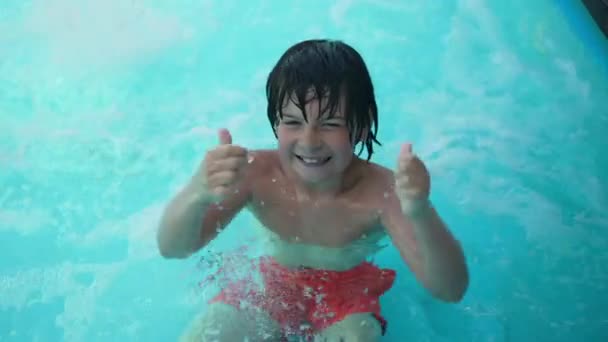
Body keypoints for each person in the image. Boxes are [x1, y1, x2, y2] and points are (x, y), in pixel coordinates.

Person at [157, 39, 469, 341]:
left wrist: (420, 211)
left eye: (330, 124)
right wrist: (197, 193)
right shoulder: (255, 174)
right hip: (273, 284)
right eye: (292, 122)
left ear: (361, 127)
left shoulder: (382, 194)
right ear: (275, 123)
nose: (309, 141)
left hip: (347, 296)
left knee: (358, 335)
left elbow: (450, 290)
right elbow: (174, 248)